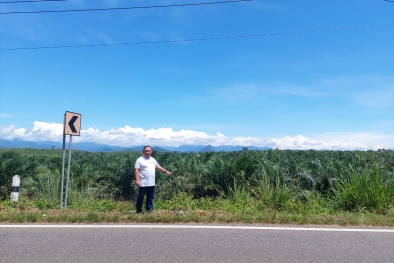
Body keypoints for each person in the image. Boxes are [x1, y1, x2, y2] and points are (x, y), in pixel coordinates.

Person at [134, 145, 172, 214]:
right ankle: (139, 211)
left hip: (151, 183)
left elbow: (158, 167)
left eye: (149, 151)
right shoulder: (140, 160)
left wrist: (166, 171)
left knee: (150, 198)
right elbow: (136, 170)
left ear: (151, 152)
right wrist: (137, 180)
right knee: (140, 197)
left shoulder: (152, 159)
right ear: (143, 152)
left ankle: (148, 210)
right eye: (146, 151)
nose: (147, 152)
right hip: (142, 183)